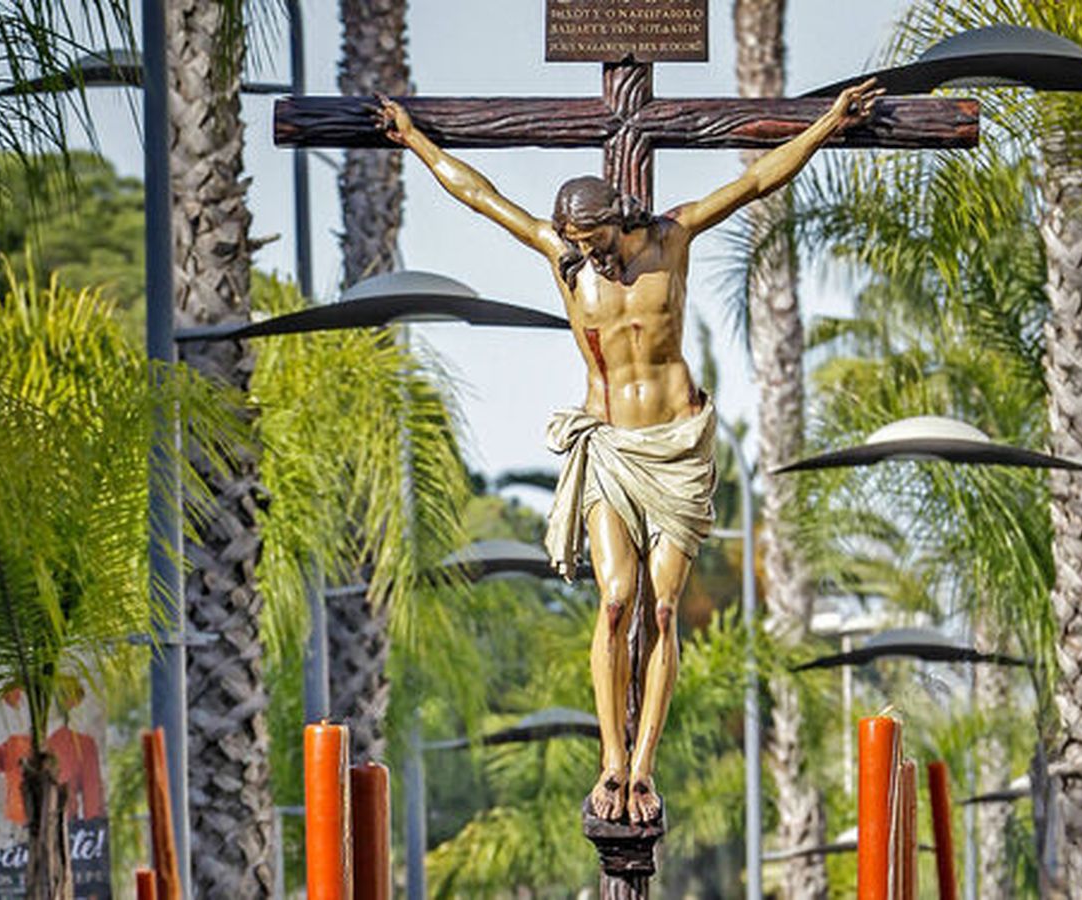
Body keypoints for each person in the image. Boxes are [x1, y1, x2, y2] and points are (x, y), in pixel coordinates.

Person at [377, 78, 884, 824]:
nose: (590, 260)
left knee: (665, 605)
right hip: (611, 447)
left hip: (676, 448)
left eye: (597, 244)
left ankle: (644, 769)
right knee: (617, 601)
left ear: (618, 219)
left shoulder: (671, 239)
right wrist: (417, 141)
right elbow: (482, 198)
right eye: (578, 249)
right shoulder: (568, 263)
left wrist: (828, 127)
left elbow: (754, 180)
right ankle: (610, 762)